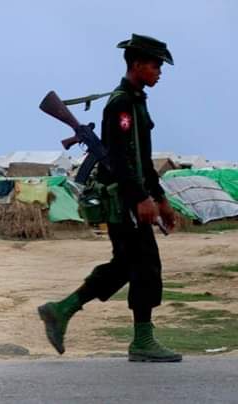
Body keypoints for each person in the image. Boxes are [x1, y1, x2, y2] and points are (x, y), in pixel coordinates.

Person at [38, 34, 181, 362]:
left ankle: (62, 310)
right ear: (137, 65)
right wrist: (141, 198)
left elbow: (142, 159)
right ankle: (142, 341)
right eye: (155, 65)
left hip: (131, 198)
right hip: (123, 202)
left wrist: (159, 198)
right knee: (144, 266)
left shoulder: (135, 101)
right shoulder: (120, 104)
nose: (160, 71)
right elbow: (119, 158)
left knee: (127, 266)